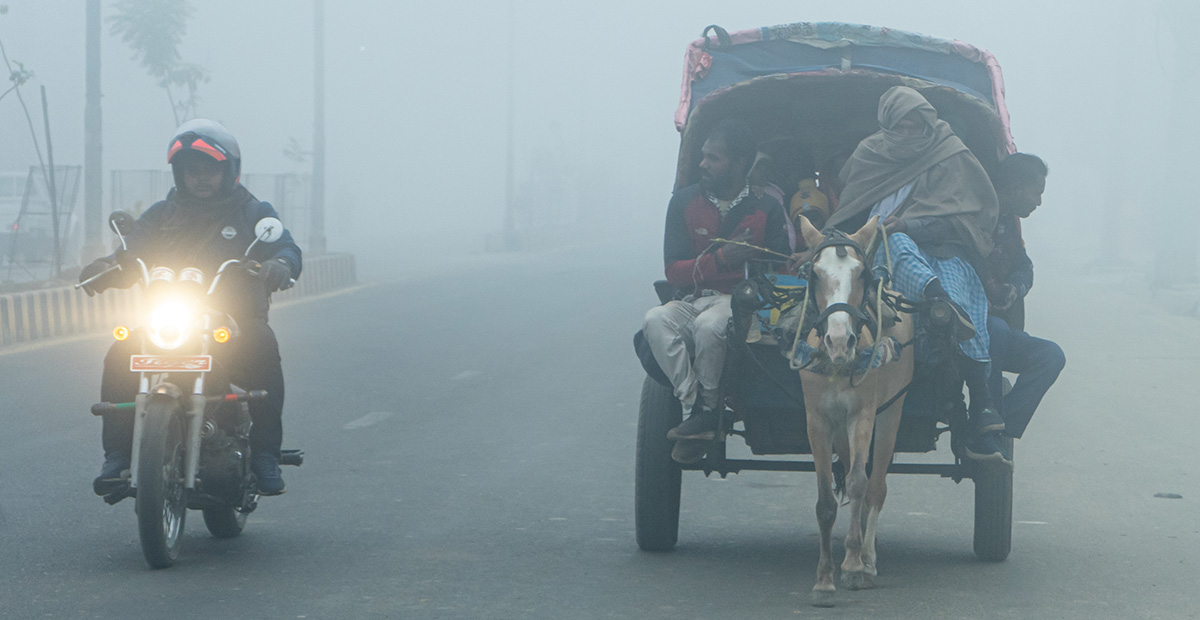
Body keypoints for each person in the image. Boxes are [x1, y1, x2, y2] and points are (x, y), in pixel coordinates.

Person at [80, 119, 301, 496]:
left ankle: (264, 454)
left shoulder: (252, 213)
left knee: (263, 345)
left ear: (229, 171)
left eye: (210, 170)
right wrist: (106, 267)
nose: (201, 178)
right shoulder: (161, 215)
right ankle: (117, 455)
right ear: (179, 174)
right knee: (120, 352)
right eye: (191, 170)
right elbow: (130, 253)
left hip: (234, 322)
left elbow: (286, 247)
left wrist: (280, 264)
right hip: (169, 320)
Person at [827, 86, 1007, 465]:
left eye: (917, 127)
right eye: (902, 127)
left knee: (962, 296)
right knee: (897, 244)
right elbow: (852, 216)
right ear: (888, 125)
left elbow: (966, 218)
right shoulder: (870, 154)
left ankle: (982, 402)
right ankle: (939, 300)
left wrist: (910, 223)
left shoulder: (950, 152)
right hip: (884, 259)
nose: (910, 135)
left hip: (947, 253)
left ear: (930, 125)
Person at [643, 119, 790, 463]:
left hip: (741, 303)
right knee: (654, 321)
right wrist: (723, 257)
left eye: (714, 159)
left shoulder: (766, 207)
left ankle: (708, 408)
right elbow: (673, 271)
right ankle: (697, 404)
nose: (703, 165)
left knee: (710, 327)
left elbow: (781, 269)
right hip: (693, 298)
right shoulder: (683, 203)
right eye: (704, 157)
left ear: (739, 164)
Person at [985, 153, 1065, 440]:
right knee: (995, 329)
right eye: (1036, 193)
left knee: (1051, 355)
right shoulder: (973, 214)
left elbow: (1024, 266)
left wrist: (1013, 289)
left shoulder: (1008, 224)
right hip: (959, 331)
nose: (1039, 202)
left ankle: (1001, 429)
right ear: (1017, 186)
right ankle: (987, 418)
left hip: (998, 332)